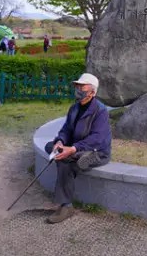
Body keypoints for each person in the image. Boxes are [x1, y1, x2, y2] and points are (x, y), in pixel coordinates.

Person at [43, 73, 111, 224]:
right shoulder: (74, 108)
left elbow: (97, 139)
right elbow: (66, 129)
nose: (78, 89)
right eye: (77, 86)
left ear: (92, 92)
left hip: (97, 151)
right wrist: (60, 142)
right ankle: (75, 157)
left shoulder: (101, 111)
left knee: (69, 160)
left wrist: (73, 149)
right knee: (51, 147)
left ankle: (66, 206)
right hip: (77, 147)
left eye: (82, 86)